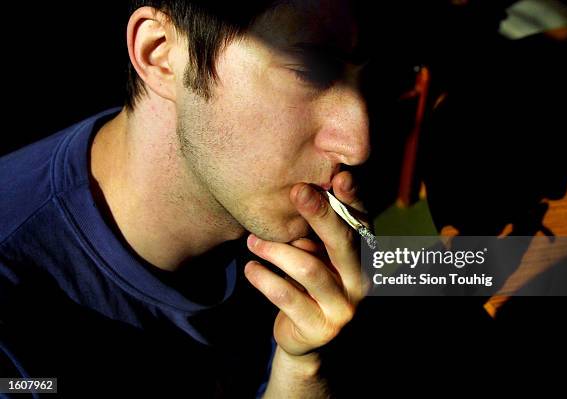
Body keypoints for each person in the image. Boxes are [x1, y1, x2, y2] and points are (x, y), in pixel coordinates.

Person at [0, 0, 372, 397]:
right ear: (159, 53)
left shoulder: (307, 232)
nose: (357, 146)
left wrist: (302, 369)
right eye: (310, 70)